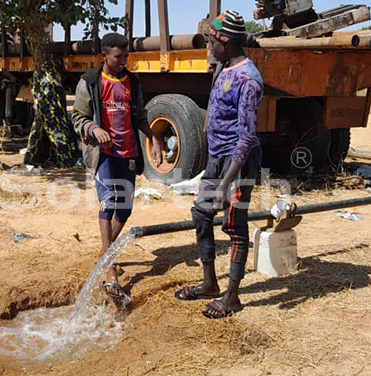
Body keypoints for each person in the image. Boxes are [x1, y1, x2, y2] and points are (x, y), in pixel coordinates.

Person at [174, 11, 263, 319]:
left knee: (235, 226)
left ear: (225, 43)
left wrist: (225, 184)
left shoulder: (248, 79)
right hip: (217, 158)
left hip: (239, 164)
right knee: (201, 213)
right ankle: (210, 283)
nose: (208, 45)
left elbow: (247, 138)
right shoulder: (225, 64)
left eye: (212, 41)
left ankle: (232, 297)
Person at [72, 33, 163, 301]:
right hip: (103, 155)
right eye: (118, 57)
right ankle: (110, 269)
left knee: (125, 208)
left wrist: (153, 137)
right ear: (105, 57)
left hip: (128, 153)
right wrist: (94, 128)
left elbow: (140, 115)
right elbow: (78, 117)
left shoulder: (132, 82)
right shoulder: (89, 82)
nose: (124, 61)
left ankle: (103, 252)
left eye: (126, 56)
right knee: (108, 202)